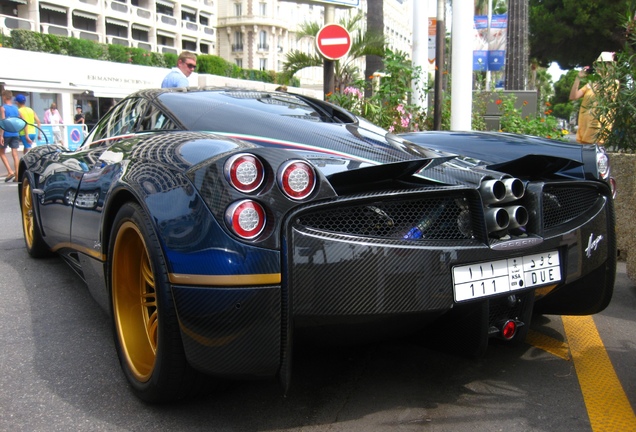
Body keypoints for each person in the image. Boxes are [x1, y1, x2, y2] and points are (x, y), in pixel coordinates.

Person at [569, 51, 617, 144]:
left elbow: (608, 99)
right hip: (585, 125)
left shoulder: (614, 83)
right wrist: (578, 78)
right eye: (600, 64)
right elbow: (573, 96)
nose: (601, 67)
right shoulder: (590, 84)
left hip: (598, 125)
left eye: (605, 64)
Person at [0, 90, 23, 182]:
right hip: (15, 132)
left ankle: (10, 171)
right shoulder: (15, 108)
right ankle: (17, 174)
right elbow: (20, 118)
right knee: (15, 154)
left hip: (6, 132)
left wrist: (1, 135)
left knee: (2, 152)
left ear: (4, 97)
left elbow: (3, 122)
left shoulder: (3, 108)